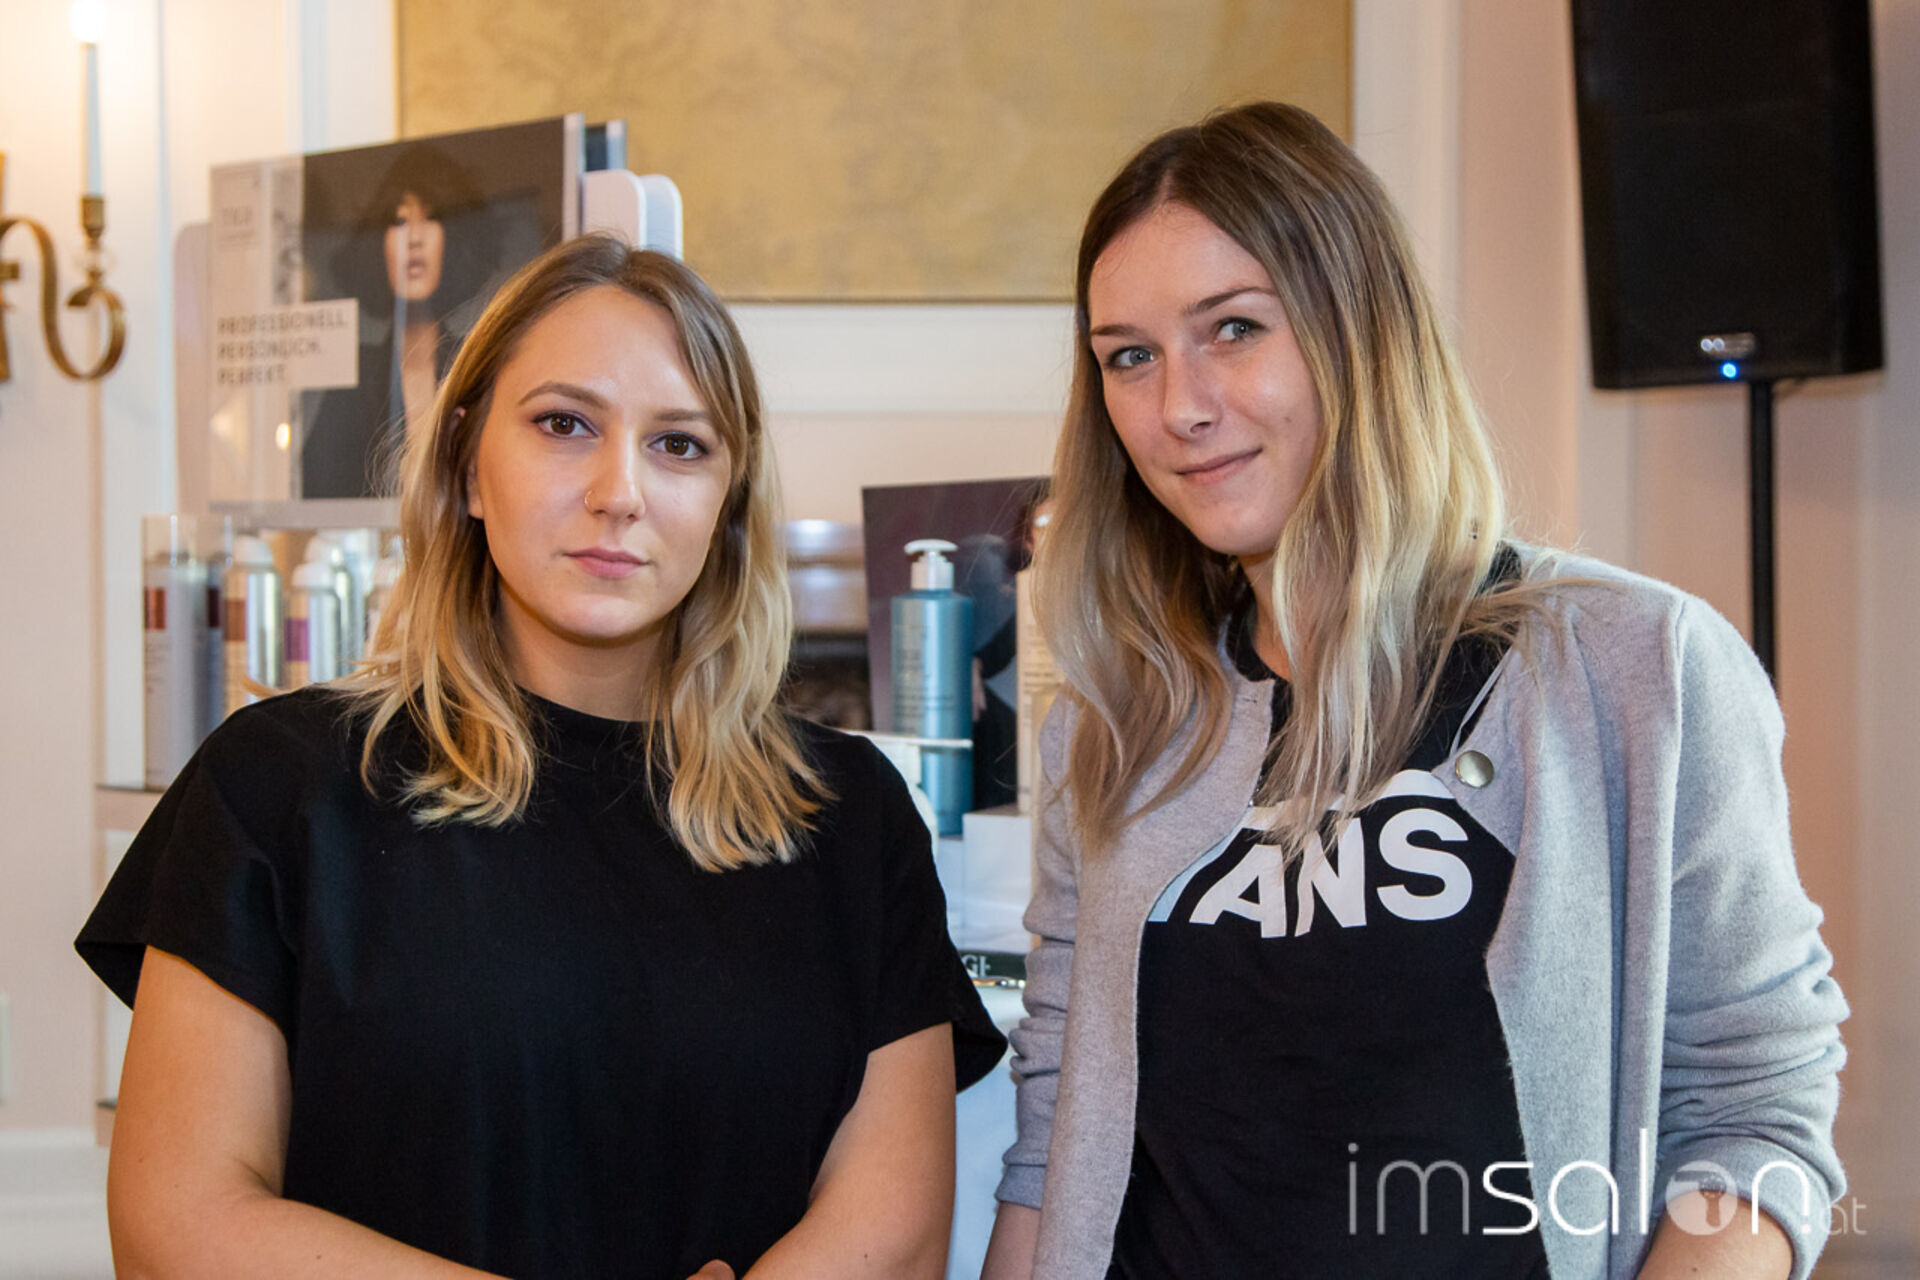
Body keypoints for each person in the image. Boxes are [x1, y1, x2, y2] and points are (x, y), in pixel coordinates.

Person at [981, 102, 1847, 1280]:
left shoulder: (1639, 668)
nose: (1178, 405)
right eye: (1129, 355)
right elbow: (1053, 1142)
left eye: (1233, 328)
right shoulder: (1115, 719)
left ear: (1362, 330)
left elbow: (1755, 1114)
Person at [79, 234, 1005, 1279]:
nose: (620, 490)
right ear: (468, 465)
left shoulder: (848, 815)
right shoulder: (275, 785)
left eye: (680, 444)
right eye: (565, 424)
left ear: (729, 504)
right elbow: (176, 1223)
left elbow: (897, 1233)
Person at [300, 143, 497, 499]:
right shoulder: (354, 377)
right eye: (401, 221)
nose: (414, 239)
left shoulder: (478, 370)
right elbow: (319, 495)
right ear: (380, 244)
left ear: (454, 240)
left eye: (431, 218)